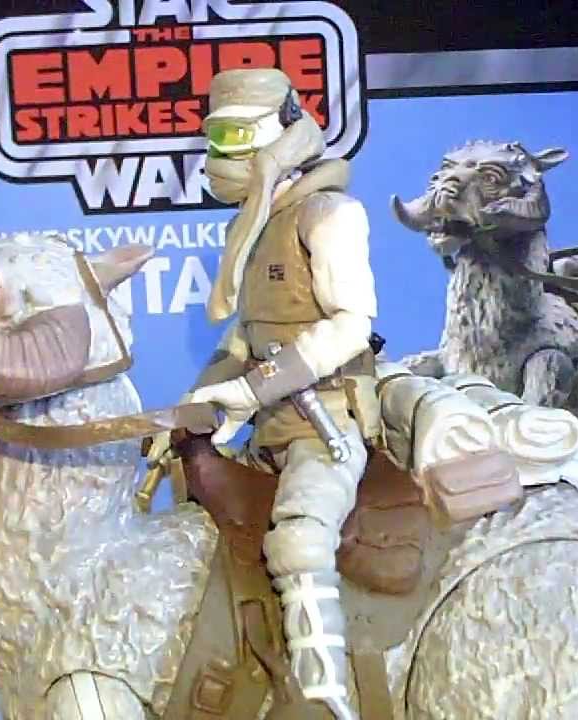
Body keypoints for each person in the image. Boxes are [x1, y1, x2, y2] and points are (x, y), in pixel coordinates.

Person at [140, 68, 377, 720]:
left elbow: (352, 325)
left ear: (286, 132)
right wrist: (190, 410)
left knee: (299, 541)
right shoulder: (250, 226)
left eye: (239, 137)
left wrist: (253, 389)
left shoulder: (328, 215)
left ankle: (324, 695)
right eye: (217, 138)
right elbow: (245, 340)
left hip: (326, 421)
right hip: (268, 426)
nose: (225, 154)